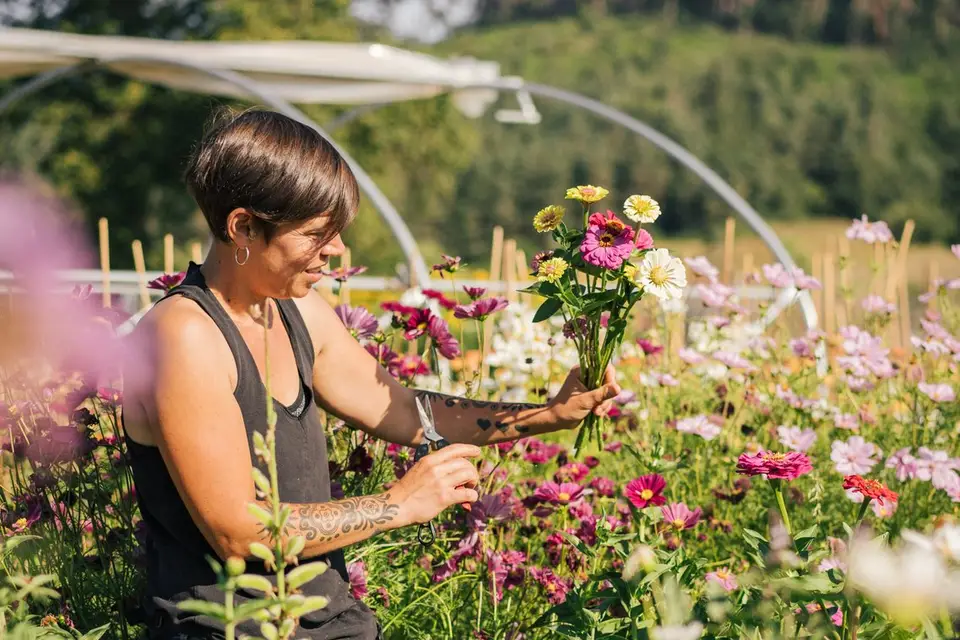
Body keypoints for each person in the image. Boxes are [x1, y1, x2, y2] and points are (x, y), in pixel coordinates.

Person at [120, 107, 621, 640]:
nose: (337, 250)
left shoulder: (293, 309)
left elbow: (401, 410)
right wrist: (398, 504)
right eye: (317, 233)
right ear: (243, 226)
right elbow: (240, 535)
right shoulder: (184, 336)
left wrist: (548, 415)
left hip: (330, 621)